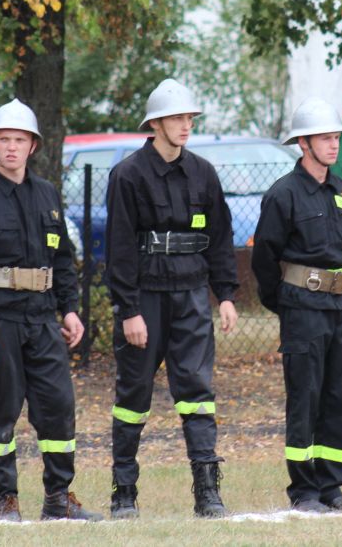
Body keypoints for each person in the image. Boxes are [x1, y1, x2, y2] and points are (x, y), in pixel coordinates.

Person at [0, 99, 100, 522]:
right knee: (1, 412)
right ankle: (6, 499)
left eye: (19, 140)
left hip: (43, 320)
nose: (11, 147)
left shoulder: (47, 195)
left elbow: (62, 260)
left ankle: (58, 498)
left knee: (58, 407)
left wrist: (70, 310)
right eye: (4, 139)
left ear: (33, 146)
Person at [105, 78, 239, 519]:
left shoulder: (203, 172)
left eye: (190, 118)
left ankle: (208, 492)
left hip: (192, 297)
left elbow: (220, 237)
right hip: (145, 300)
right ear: (155, 124)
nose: (186, 125)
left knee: (198, 393)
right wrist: (129, 310)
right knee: (133, 396)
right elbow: (120, 248)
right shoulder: (128, 174)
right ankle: (124, 493)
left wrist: (225, 295)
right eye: (177, 118)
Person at [251, 98, 342, 513]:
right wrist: (286, 303)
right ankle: (304, 491)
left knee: (340, 399)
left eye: (336, 137)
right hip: (302, 311)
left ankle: (332, 487)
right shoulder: (283, 195)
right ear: (303, 143)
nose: (333, 144)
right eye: (325, 138)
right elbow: (264, 258)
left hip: (341, 310)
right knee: (306, 399)